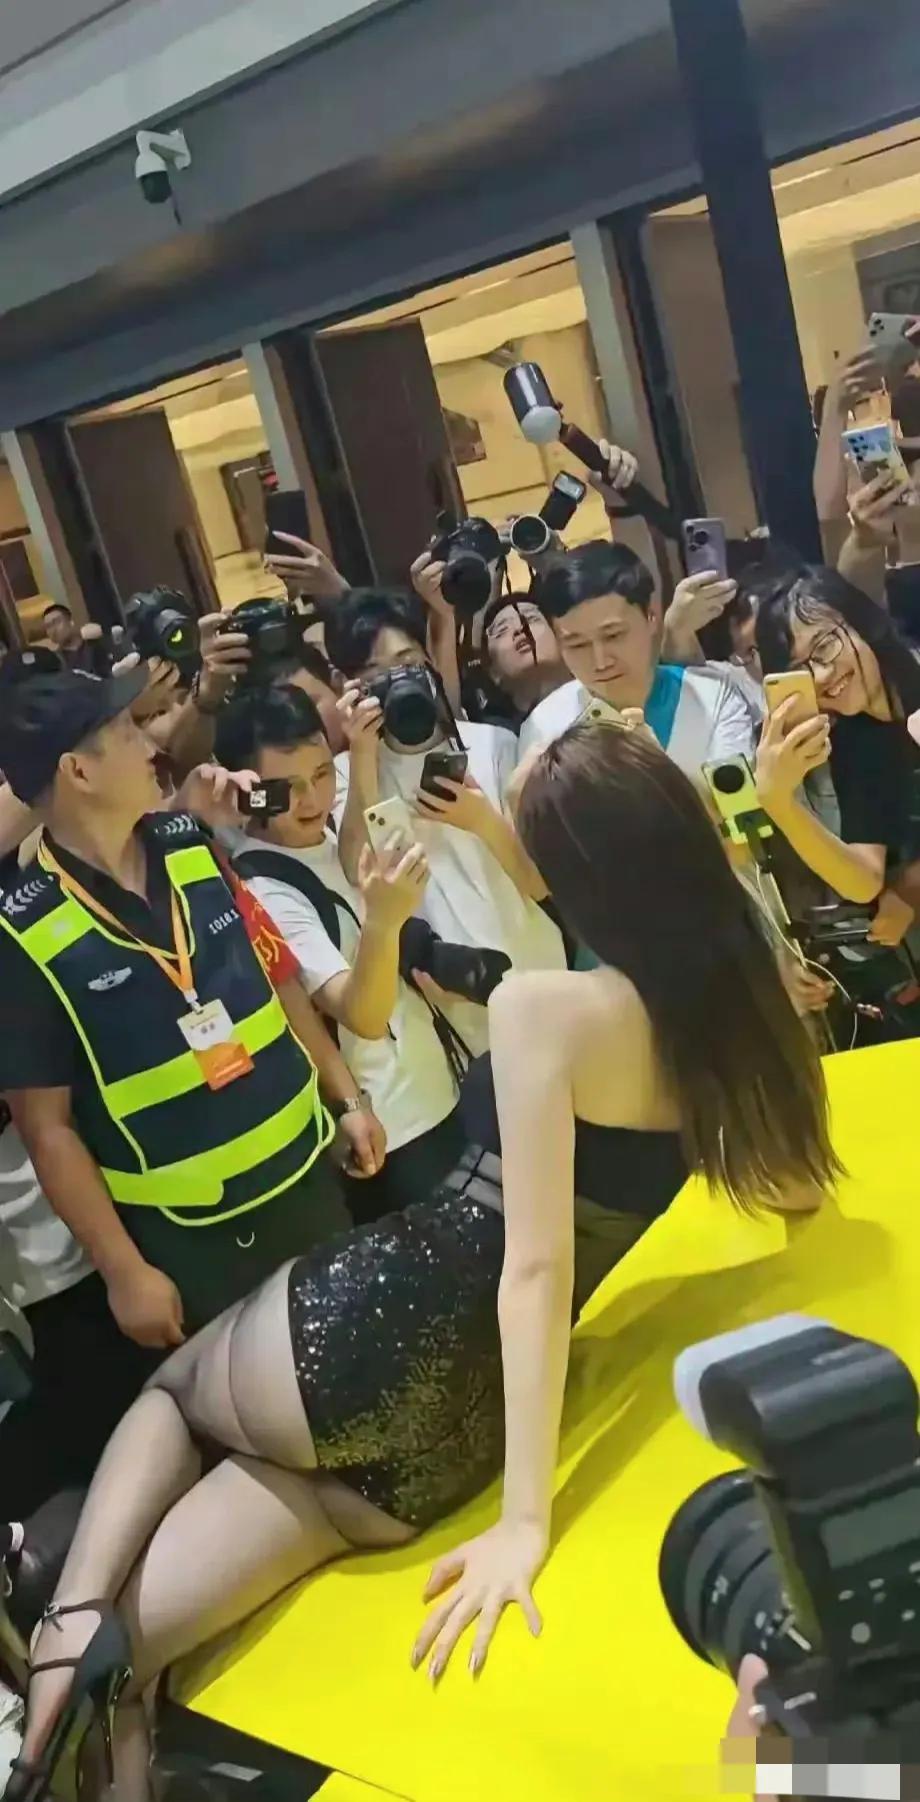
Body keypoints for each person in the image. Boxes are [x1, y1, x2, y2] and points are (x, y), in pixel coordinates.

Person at [6, 720, 841, 1802]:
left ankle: (64, 1637)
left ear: (578, 871)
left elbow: (532, 1268)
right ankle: (87, 1666)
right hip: (462, 1433)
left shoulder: (547, 1007)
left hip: (376, 1325)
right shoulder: (731, 1009)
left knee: (169, 1399)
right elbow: (793, 1185)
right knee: (144, 1644)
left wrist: (528, 1525)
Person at [0, 665, 352, 1351]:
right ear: (78, 770)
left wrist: (347, 1101)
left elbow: (275, 981)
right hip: (194, 1237)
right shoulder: (23, 932)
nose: (151, 745)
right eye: (127, 732)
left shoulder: (191, 843)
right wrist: (124, 1272)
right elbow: (48, 1131)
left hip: (307, 1171)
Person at [217, 685, 470, 1220]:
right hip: (395, 1130)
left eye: (320, 775)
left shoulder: (321, 834)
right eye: (287, 788)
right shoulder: (264, 891)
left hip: (438, 1087)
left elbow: (350, 851)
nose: (312, 799)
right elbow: (363, 1015)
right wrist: (384, 920)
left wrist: (361, 752)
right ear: (249, 791)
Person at [329, 588, 565, 1054]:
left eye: (406, 661)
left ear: (429, 660)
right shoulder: (346, 773)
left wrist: (481, 819)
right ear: (349, 685)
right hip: (455, 1003)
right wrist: (362, 753)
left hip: (542, 970)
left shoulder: (494, 744)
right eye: (375, 673)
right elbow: (356, 869)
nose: (397, 681)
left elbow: (541, 882)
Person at [754, 567, 920, 946]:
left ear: (864, 624)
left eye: (825, 646)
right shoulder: (856, 744)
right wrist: (778, 803)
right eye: (799, 669)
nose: (821, 676)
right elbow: (863, 881)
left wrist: (910, 889)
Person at [519, 542, 756, 776]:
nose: (600, 662)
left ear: (651, 616)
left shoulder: (713, 696)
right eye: (577, 645)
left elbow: (738, 799)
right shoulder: (545, 725)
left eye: (613, 635)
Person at [477, 592, 569, 729]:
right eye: (502, 630)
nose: (520, 628)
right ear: (493, 671)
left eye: (532, 619)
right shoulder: (491, 735)